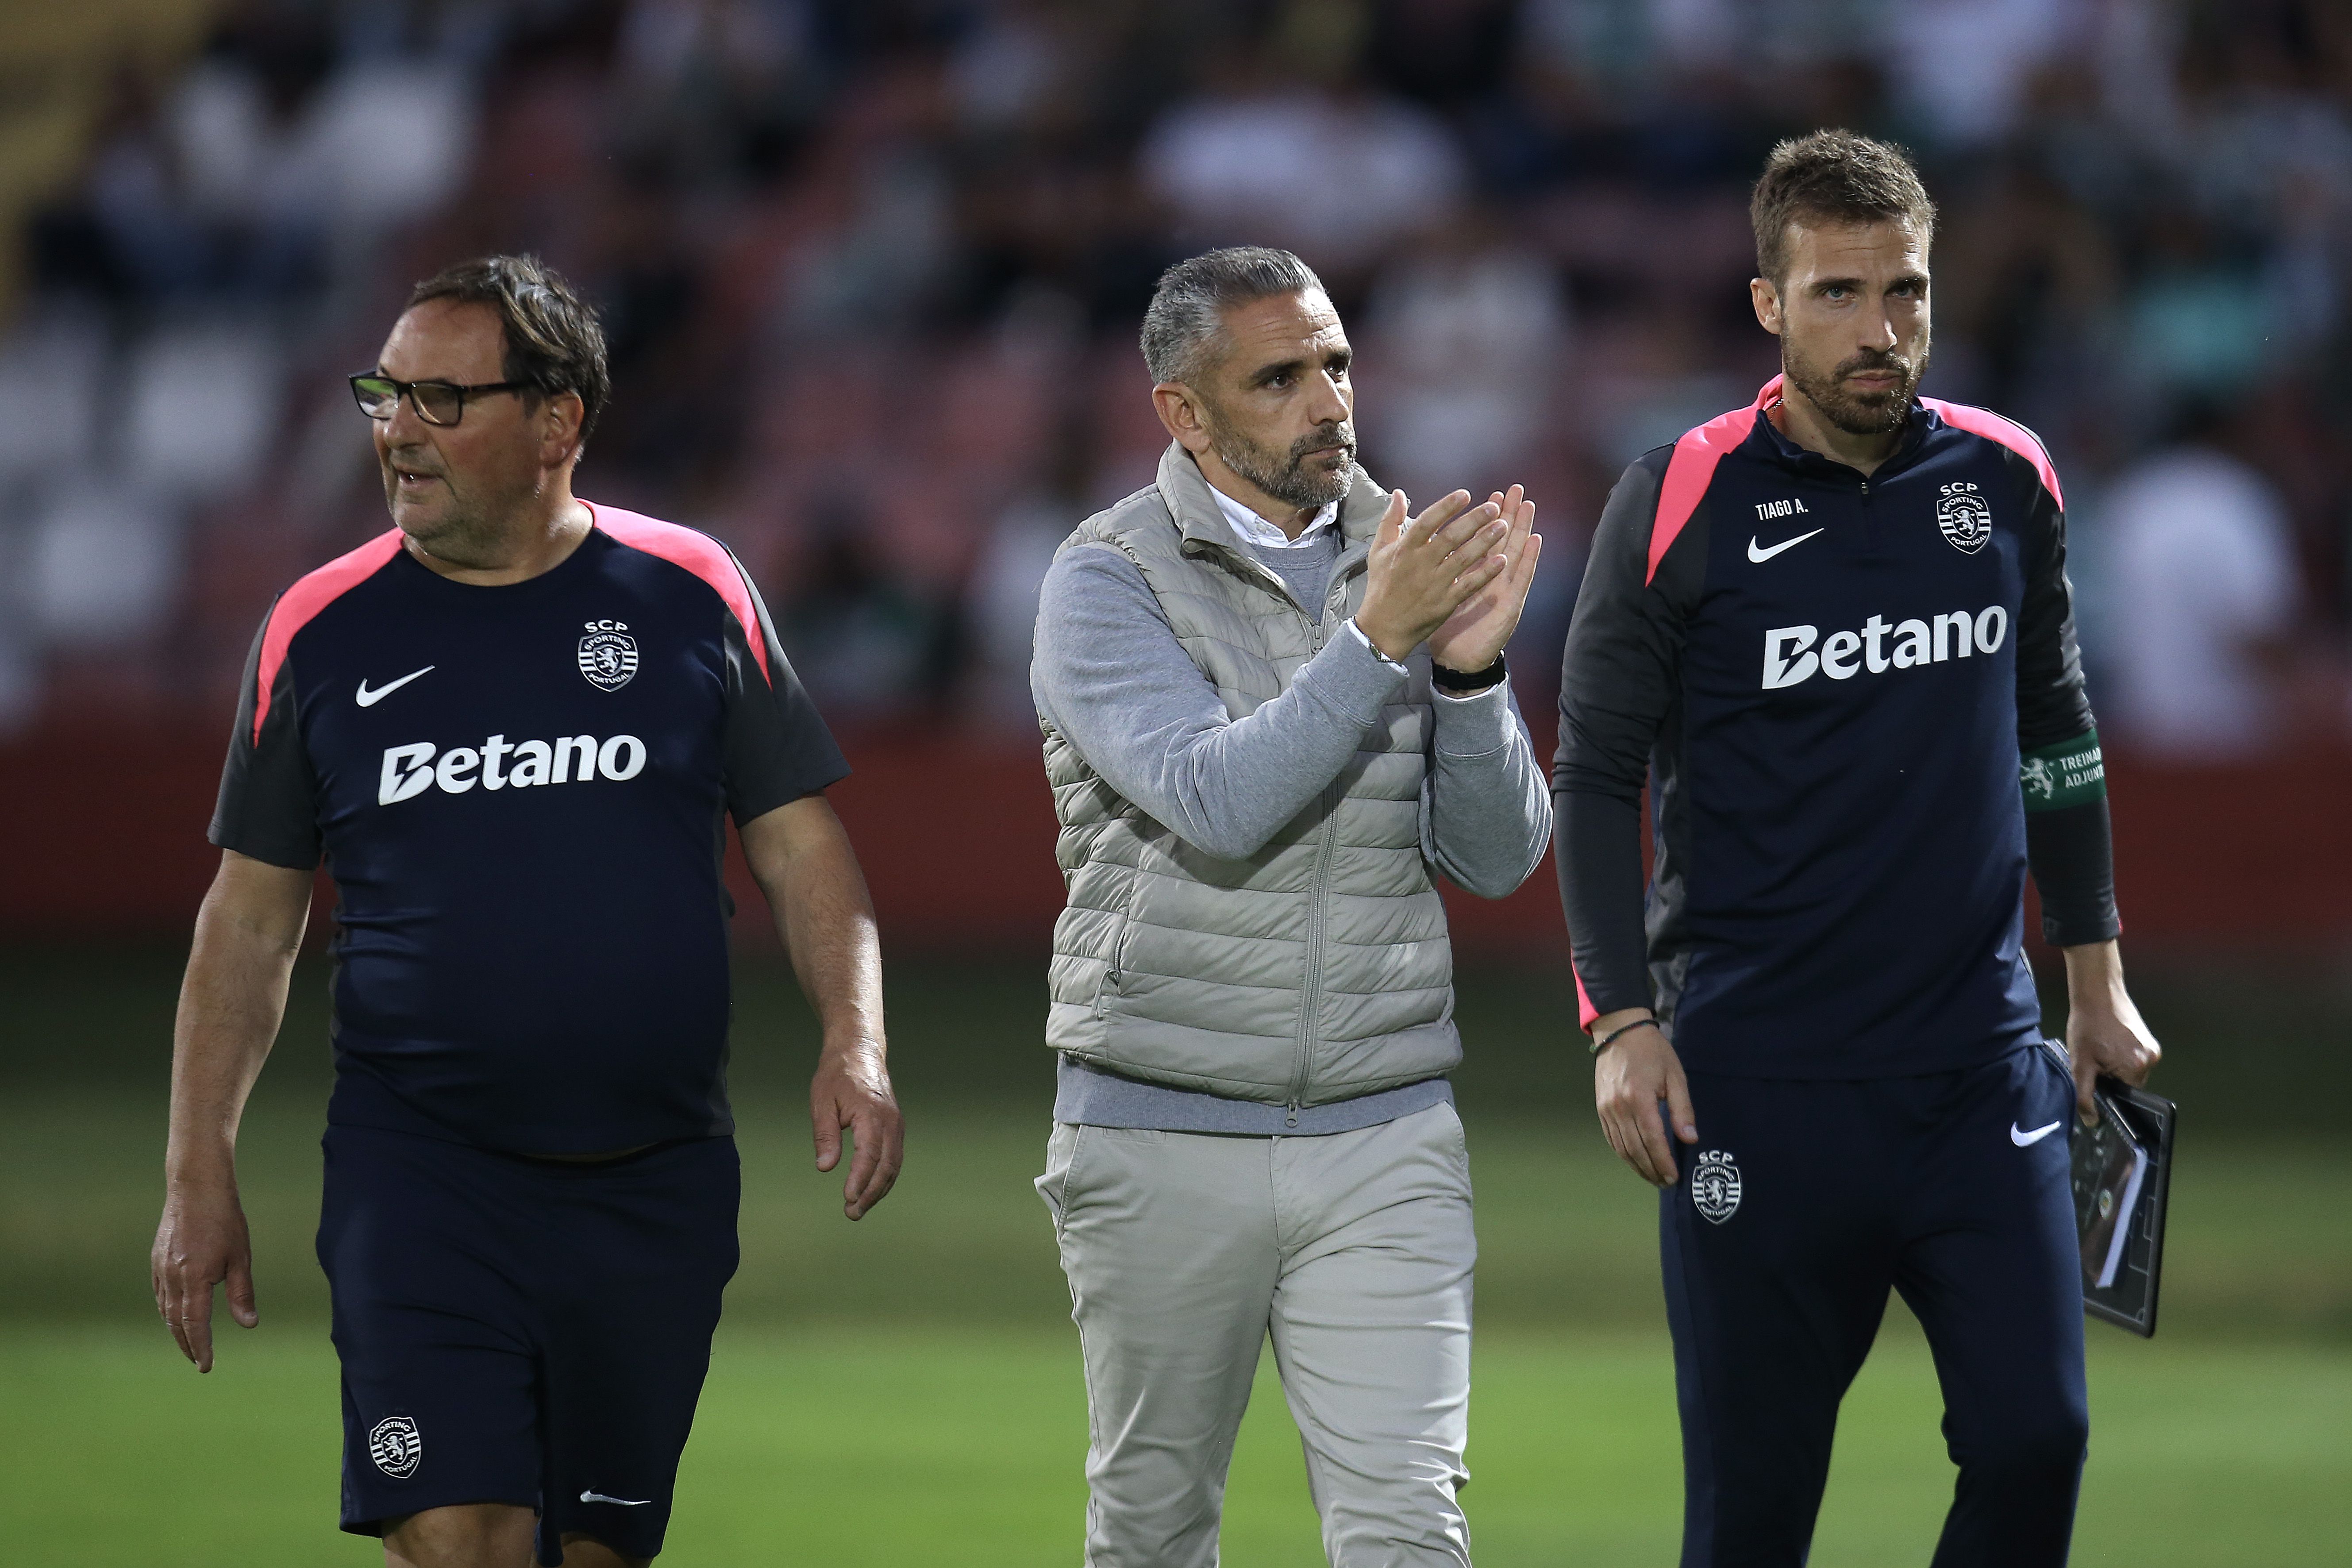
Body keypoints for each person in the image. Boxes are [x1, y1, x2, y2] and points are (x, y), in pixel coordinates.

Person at [150, 255, 903, 1568]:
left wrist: (856, 1040)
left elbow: (798, 845)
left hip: (653, 1185)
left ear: (556, 422)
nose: (397, 427)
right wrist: (195, 1170)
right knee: (468, 1543)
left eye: (443, 399)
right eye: (386, 393)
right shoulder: (317, 629)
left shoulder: (693, 590)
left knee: (593, 1555)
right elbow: (251, 925)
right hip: (420, 1178)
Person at [1553, 132, 2162, 1568]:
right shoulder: (1677, 496)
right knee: (1754, 1517)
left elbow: (2056, 731)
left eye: (1904, 291)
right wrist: (1620, 1022)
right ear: (1767, 306)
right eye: (1836, 294)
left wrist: (2095, 977)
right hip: (1749, 1088)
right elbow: (1590, 777)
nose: (1878, 330)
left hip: (1979, 1072)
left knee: (2037, 1442)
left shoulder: (2006, 480)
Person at [1029, 245, 1552, 1567]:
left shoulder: (1409, 558)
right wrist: (1378, 641)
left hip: (1386, 1132)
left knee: (1409, 1535)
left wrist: (1475, 676)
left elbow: (1497, 861)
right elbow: (1214, 801)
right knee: (1152, 1536)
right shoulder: (1104, 580)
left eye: (1335, 363)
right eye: (1280, 376)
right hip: (1157, 1120)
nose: (1328, 400)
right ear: (1185, 413)